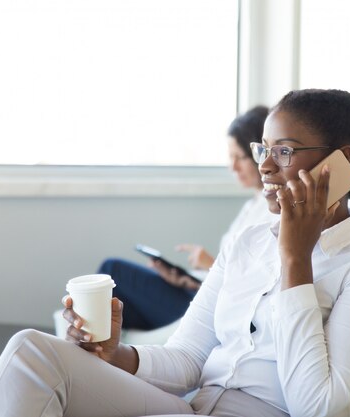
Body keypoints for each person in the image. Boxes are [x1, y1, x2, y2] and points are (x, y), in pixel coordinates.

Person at [0, 89, 350, 417]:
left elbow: (317, 407)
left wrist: (297, 261)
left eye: (285, 151)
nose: (265, 166)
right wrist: (116, 354)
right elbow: (189, 359)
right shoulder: (249, 242)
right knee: (31, 351)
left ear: (339, 162)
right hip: (191, 408)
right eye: (263, 150)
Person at [101, 105, 276, 331]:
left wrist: (212, 266)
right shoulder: (252, 206)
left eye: (239, 157)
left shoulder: (272, 212)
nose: (232, 166)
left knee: (113, 270)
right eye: (229, 157)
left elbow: (258, 288)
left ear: (259, 154)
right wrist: (188, 280)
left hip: (219, 310)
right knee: (118, 311)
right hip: (202, 293)